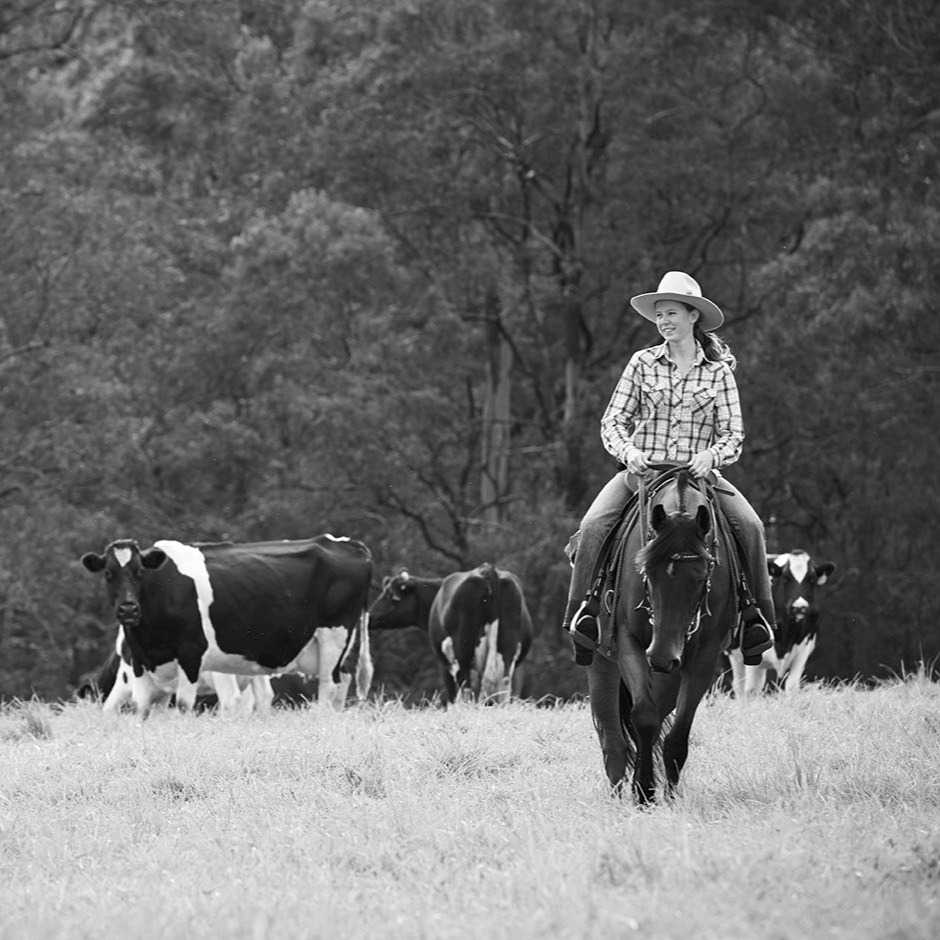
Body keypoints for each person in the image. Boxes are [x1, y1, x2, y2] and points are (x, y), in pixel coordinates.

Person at [563, 270, 775, 667]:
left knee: (751, 527)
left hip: (699, 478)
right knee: (593, 526)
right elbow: (612, 421)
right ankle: (583, 614)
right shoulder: (642, 363)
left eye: (672, 313)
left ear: (693, 316)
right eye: (659, 314)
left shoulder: (719, 372)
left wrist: (712, 456)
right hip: (642, 473)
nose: (663, 321)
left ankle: (755, 619)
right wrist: (628, 452)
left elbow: (734, 433)